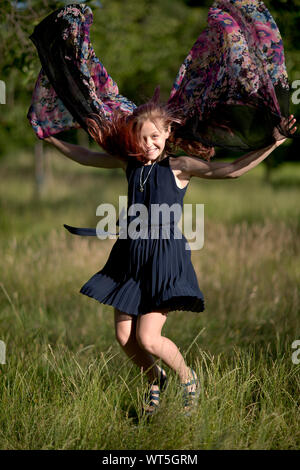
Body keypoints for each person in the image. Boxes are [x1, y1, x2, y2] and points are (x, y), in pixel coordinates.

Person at [27, 1, 298, 416]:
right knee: (124, 338)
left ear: (168, 132)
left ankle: (189, 379)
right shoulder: (130, 162)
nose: (148, 145)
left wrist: (273, 142)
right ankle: (157, 381)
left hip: (164, 258)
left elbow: (231, 172)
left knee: (150, 338)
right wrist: (53, 140)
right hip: (129, 255)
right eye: (142, 138)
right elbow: (87, 158)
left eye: (155, 137)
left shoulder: (179, 166)